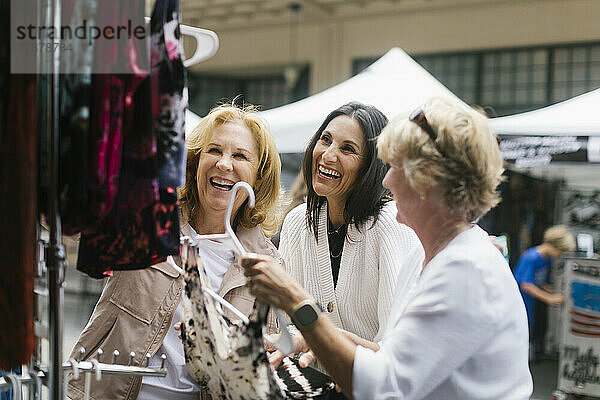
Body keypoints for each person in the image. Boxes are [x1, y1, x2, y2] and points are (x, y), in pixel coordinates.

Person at [243, 97, 533, 399]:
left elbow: (384, 388)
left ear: (427, 180)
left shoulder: (465, 270)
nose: (386, 180)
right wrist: (318, 337)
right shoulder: (430, 256)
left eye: (395, 166)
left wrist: (297, 302)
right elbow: (389, 357)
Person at [67, 104, 284, 400]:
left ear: (259, 177)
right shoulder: (147, 221)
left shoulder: (267, 266)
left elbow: (264, 365)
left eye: (239, 156)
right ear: (194, 163)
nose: (223, 164)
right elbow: (75, 219)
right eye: (214, 151)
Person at [278, 102, 420, 352]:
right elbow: (285, 322)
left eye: (347, 149)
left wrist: (319, 339)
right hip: (310, 385)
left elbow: (398, 347)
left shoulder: (392, 223)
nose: (328, 155)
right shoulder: (297, 221)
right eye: (325, 139)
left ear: (370, 167)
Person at [513, 224, 575, 359]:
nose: (560, 256)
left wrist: (551, 291)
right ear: (554, 246)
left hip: (530, 303)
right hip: (518, 303)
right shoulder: (531, 257)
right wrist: (549, 298)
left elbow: (539, 281)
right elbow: (526, 285)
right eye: (561, 252)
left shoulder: (546, 259)